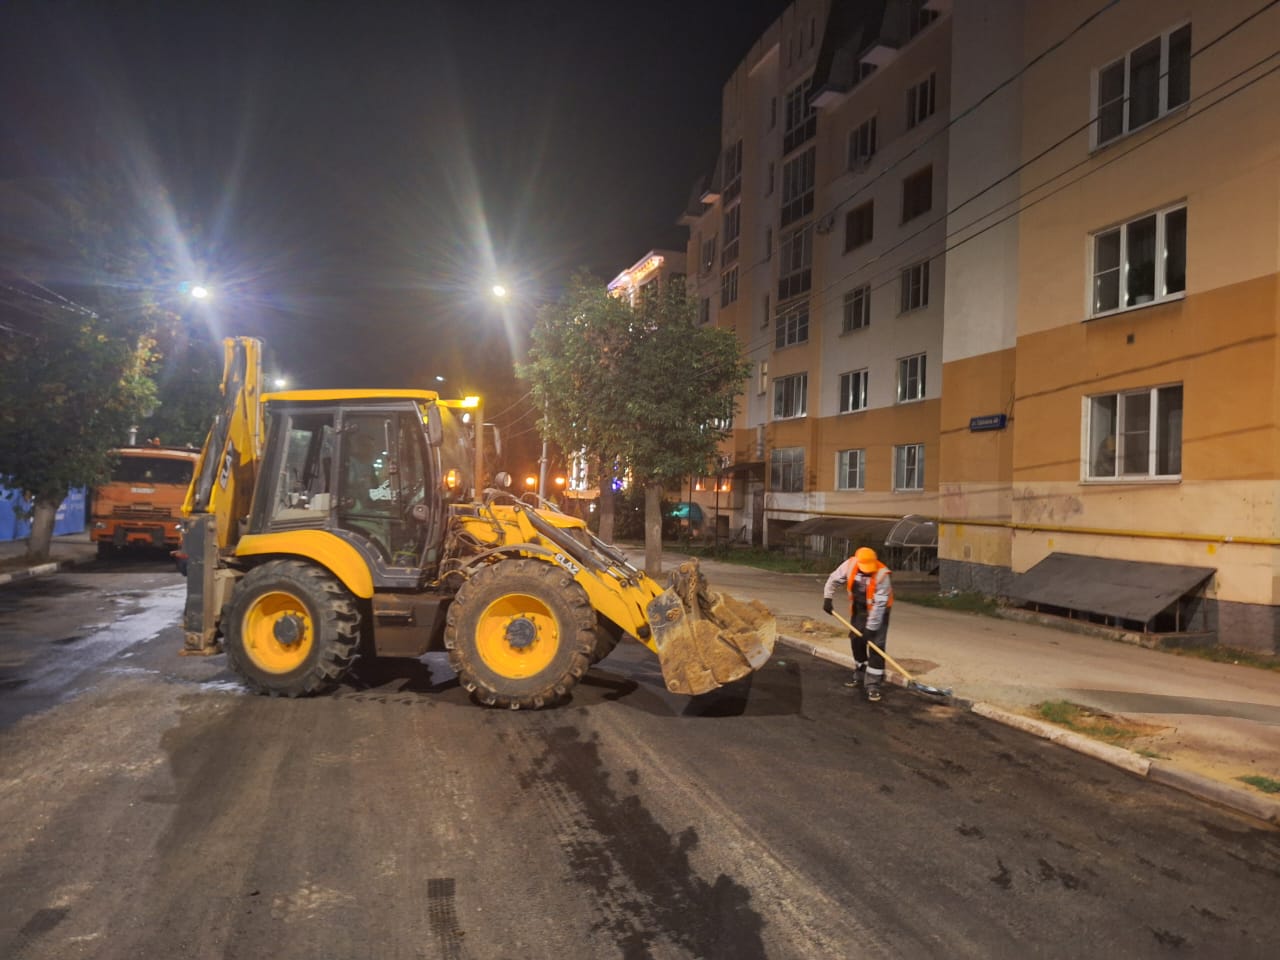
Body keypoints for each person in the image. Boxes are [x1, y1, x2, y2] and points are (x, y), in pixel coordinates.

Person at [822, 546, 894, 702]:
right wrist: (827, 598)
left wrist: (871, 628)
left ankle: (873, 684)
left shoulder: (882, 574)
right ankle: (860, 674)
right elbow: (833, 579)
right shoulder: (850, 564)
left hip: (880, 612)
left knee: (876, 645)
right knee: (856, 641)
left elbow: (879, 606)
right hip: (858, 610)